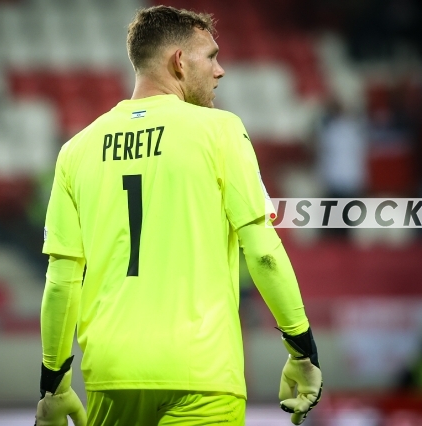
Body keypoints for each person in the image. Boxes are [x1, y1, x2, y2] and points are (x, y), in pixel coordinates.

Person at [35, 6, 322, 426]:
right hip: (202, 375)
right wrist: (302, 351)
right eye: (212, 57)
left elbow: (62, 282)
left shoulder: (76, 150)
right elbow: (263, 253)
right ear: (179, 61)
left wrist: (54, 387)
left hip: (112, 375)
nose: (220, 70)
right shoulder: (220, 131)